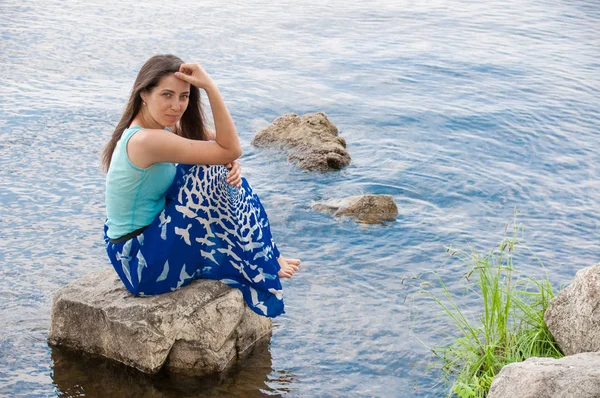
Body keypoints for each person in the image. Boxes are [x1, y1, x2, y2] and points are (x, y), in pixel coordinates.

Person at [101, 54, 300, 317]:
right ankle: (262, 257)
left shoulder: (158, 130)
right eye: (167, 95)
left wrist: (229, 161)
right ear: (144, 94)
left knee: (214, 167)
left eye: (184, 97)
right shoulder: (145, 140)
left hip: (137, 247)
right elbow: (231, 148)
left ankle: (264, 253)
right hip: (140, 264)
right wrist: (210, 88)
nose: (177, 105)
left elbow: (224, 146)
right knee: (210, 173)